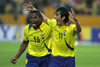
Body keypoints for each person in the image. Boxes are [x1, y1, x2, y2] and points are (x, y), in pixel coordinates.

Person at [23, 2, 82, 67]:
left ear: (63, 18)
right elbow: (44, 17)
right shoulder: (54, 23)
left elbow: (79, 30)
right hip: (55, 58)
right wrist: (34, 9)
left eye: (57, 15)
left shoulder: (71, 27)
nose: (54, 17)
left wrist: (76, 20)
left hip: (68, 59)